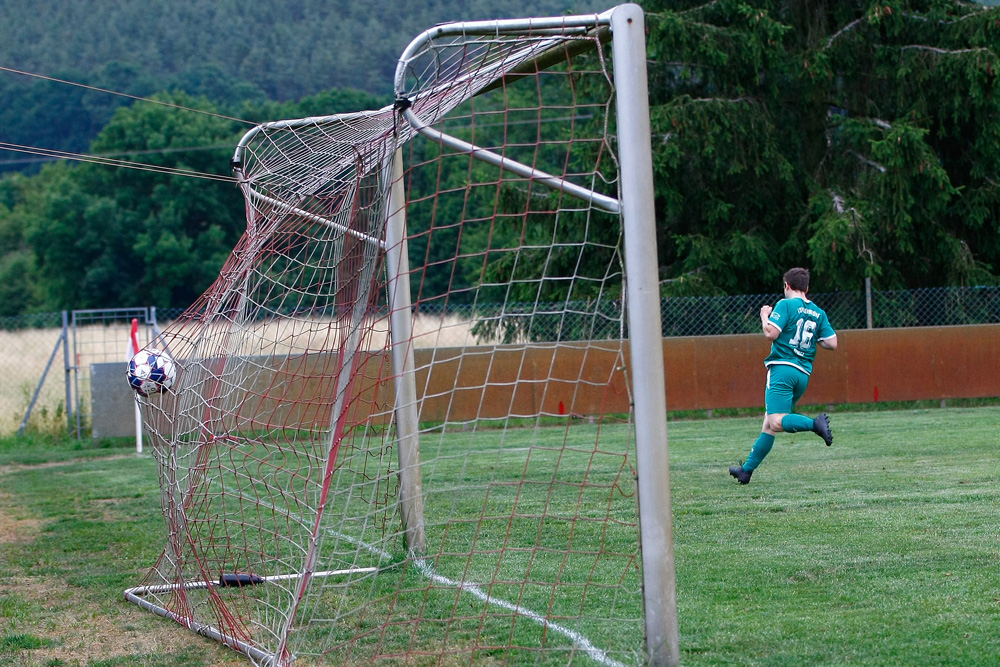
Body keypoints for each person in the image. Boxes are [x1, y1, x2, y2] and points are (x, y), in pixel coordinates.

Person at [730, 267, 838, 484]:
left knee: (776, 421)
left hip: (782, 369)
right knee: (769, 425)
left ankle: (814, 424)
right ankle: (746, 471)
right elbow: (831, 343)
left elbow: (771, 333)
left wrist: (764, 317)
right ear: (807, 288)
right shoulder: (818, 312)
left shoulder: (785, 304)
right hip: (803, 375)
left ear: (787, 286)